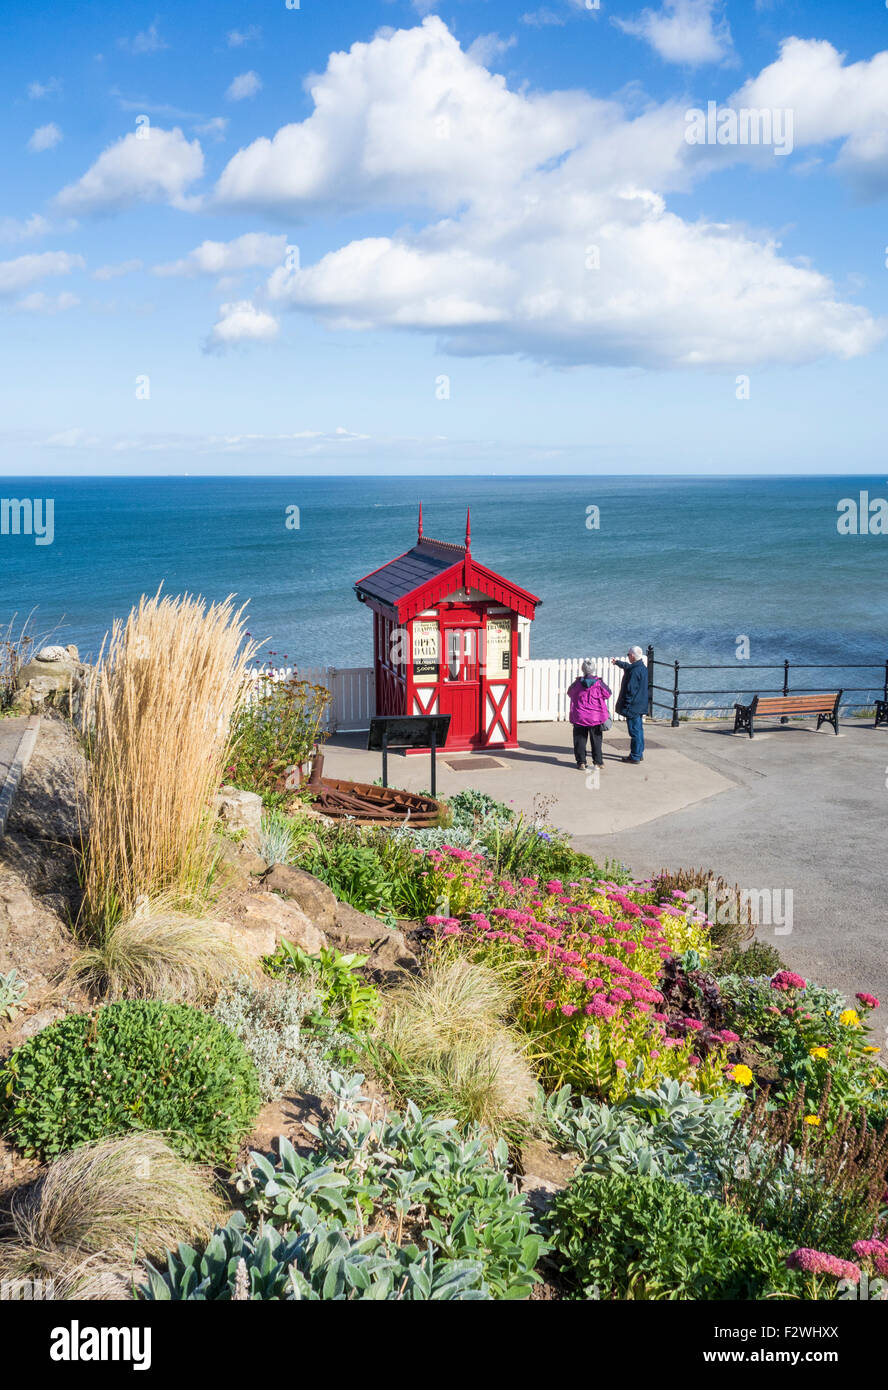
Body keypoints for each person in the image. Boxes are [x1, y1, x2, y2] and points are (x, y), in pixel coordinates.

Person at [567, 660, 611, 771]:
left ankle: (581, 762)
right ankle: (598, 762)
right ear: (593, 669)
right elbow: (608, 693)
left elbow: (570, 693)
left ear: (583, 670)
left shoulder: (577, 683)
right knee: (596, 740)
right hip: (596, 717)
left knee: (580, 740)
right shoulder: (599, 683)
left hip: (580, 716)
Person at [612, 646, 649, 764]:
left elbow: (630, 690)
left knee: (634, 731)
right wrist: (618, 663)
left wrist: (626, 704)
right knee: (639, 730)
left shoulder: (635, 671)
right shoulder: (641, 667)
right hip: (640, 704)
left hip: (633, 706)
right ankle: (639, 753)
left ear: (632, 656)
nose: (628, 657)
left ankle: (635, 756)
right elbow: (629, 667)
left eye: (628, 655)